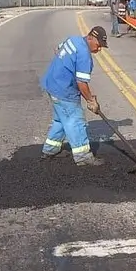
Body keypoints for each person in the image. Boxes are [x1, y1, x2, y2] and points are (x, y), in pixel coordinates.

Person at [40, 26, 108, 167]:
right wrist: (91, 100)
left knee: (61, 119)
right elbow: (82, 83)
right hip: (63, 90)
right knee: (75, 120)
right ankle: (83, 156)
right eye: (98, 45)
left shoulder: (73, 40)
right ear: (91, 38)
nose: (99, 49)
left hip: (51, 83)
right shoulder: (85, 55)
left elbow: (57, 50)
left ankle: (50, 149)